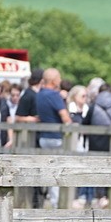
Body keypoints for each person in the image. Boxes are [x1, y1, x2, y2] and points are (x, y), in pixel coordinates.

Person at [36, 68, 71, 208]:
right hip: (56, 138)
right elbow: (65, 118)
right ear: (54, 80)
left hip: (43, 137)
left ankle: (52, 201)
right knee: (59, 171)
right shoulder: (54, 95)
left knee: (50, 171)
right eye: (59, 78)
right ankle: (58, 203)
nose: (60, 80)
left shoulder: (39, 94)